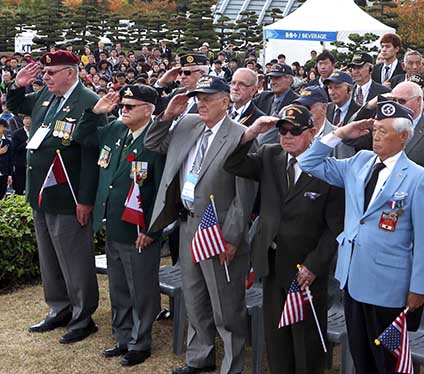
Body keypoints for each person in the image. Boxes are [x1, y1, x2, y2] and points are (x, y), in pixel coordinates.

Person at [298, 100, 424, 374]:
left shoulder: (419, 178)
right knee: (361, 355)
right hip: (354, 276)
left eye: (384, 131)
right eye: (375, 129)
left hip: (389, 284)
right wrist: (339, 133)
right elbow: (309, 162)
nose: (376, 135)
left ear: (403, 136)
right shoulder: (359, 162)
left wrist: (419, 287)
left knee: (388, 359)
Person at [145, 75, 256, 374]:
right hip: (188, 223)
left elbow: (244, 196)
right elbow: (152, 142)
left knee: (225, 304)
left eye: (208, 97)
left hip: (218, 230)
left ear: (225, 100)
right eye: (198, 97)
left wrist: (231, 238)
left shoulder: (241, 134)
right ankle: (200, 357)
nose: (201, 103)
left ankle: (232, 365)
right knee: (194, 296)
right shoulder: (187, 124)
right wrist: (167, 115)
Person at [223, 105, 344, 374]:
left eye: (294, 131)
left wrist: (314, 265)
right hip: (273, 262)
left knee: (306, 340)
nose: (287, 136)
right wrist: (250, 133)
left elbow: (335, 228)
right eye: (282, 131)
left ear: (312, 133)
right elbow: (232, 163)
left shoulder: (331, 170)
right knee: (277, 337)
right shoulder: (269, 155)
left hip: (306, 269)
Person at [7, 50, 100, 343]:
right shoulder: (45, 99)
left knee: (75, 260)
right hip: (41, 193)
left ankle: (82, 316)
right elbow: (18, 104)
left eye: (51, 73)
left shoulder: (88, 103)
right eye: (44, 73)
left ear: (70, 73)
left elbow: (92, 156)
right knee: (49, 258)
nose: (44, 77)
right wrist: (17, 85)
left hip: (69, 195)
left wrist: (85, 199)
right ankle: (58, 308)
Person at [78, 85, 165, 366]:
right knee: (119, 287)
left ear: (149, 110)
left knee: (142, 288)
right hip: (113, 222)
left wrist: (152, 230)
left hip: (139, 229)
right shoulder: (116, 130)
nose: (123, 110)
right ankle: (123, 336)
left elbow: (163, 190)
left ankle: (141, 342)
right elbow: (82, 138)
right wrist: (95, 113)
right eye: (122, 105)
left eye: (130, 106)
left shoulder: (156, 139)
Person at [254, 63, 300, 144]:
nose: (272, 82)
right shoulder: (264, 96)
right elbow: (245, 107)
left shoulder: (297, 102)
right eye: (271, 78)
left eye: (277, 78)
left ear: (289, 79)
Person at [11, 114, 29, 195]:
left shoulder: (35, 132)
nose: (27, 121)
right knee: (19, 187)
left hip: (31, 163)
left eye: (29, 118)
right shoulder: (17, 134)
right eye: (25, 119)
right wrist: (26, 143)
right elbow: (15, 149)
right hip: (20, 163)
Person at [0, 119, 12, 199]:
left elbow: (10, 160)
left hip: (3, 172)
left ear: (4, 128)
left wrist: (10, 175)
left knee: (1, 195)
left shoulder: (8, 142)